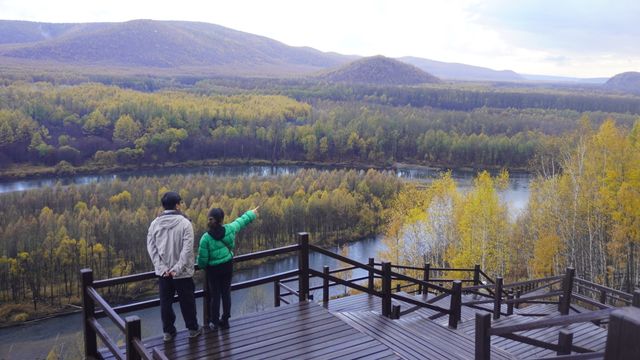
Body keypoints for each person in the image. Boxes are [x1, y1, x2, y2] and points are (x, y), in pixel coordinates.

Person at [146, 191, 201, 341]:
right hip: (182, 273)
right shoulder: (185, 223)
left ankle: (168, 332)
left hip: (164, 274)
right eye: (181, 203)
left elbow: (151, 249)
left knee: (165, 302)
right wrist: (177, 269)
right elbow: (187, 249)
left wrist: (163, 268)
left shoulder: (154, 224)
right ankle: (192, 329)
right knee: (187, 301)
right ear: (177, 205)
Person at [197, 206, 259, 330]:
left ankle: (214, 322)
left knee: (215, 296)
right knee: (226, 293)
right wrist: (252, 213)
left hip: (213, 270)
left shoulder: (205, 238)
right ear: (222, 220)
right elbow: (241, 221)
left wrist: (203, 265)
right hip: (227, 266)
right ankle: (225, 320)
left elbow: (202, 262)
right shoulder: (230, 229)